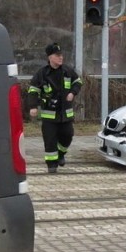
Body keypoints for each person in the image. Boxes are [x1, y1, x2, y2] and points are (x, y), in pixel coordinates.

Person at [27, 43, 83, 173]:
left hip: (65, 114)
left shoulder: (67, 71)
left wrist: (72, 92)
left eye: (61, 55)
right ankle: (52, 165)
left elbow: (78, 82)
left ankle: (60, 154)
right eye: (57, 55)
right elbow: (33, 90)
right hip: (49, 116)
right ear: (50, 57)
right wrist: (33, 106)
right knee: (50, 140)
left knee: (68, 136)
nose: (61, 57)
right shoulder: (41, 74)